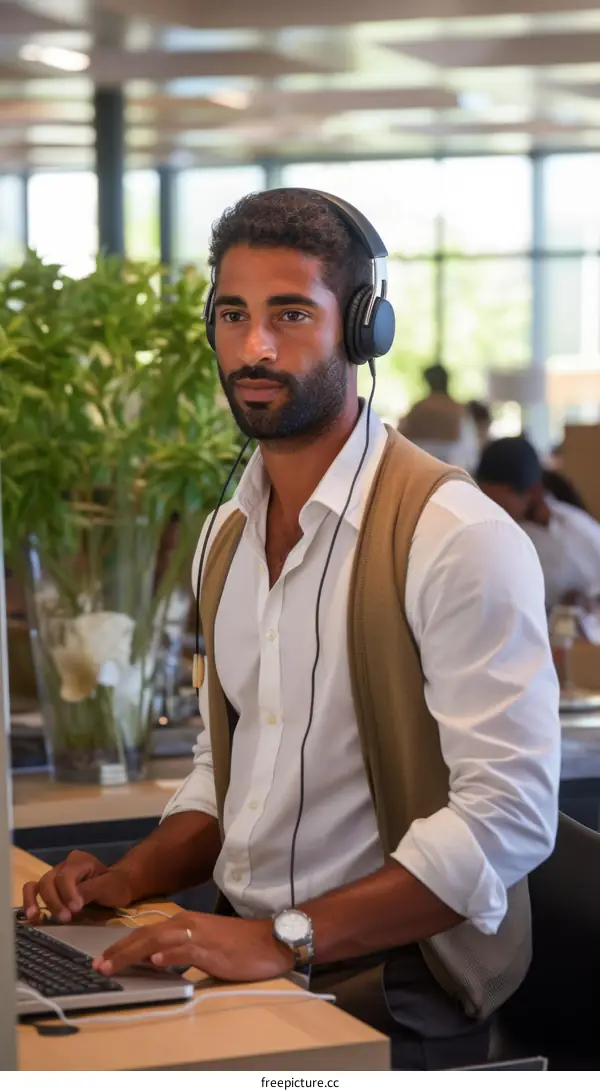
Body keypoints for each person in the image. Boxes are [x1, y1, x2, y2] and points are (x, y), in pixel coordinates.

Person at [22, 190, 560, 1071]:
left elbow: (510, 814)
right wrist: (129, 877)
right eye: (233, 315)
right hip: (241, 955)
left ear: (362, 329)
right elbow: (227, 773)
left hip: (391, 986)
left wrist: (284, 937)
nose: (254, 348)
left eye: (291, 314)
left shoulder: (452, 535)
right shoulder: (224, 536)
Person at [477, 436, 600, 611]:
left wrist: (587, 603)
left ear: (533, 492)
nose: (490, 508)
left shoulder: (578, 531)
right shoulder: (491, 533)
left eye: (498, 502)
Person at [399, 363, 479, 470]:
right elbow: (470, 451)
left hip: (420, 467)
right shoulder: (458, 410)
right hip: (451, 468)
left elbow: (401, 438)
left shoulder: (418, 409)